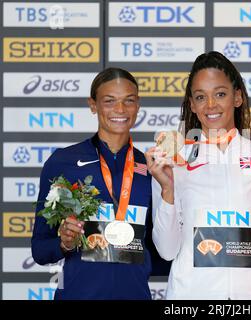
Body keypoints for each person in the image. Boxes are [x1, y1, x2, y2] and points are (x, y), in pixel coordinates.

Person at [146, 51, 251, 299]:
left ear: (237, 97)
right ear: (192, 104)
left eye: (220, 94)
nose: (211, 105)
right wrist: (168, 190)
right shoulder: (172, 161)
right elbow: (166, 250)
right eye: (201, 97)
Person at [32, 67, 161, 300]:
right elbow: (40, 250)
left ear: (138, 105)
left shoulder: (153, 168)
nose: (120, 110)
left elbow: (161, 250)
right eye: (109, 101)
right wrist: (65, 243)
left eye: (128, 101)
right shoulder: (63, 161)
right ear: (93, 105)